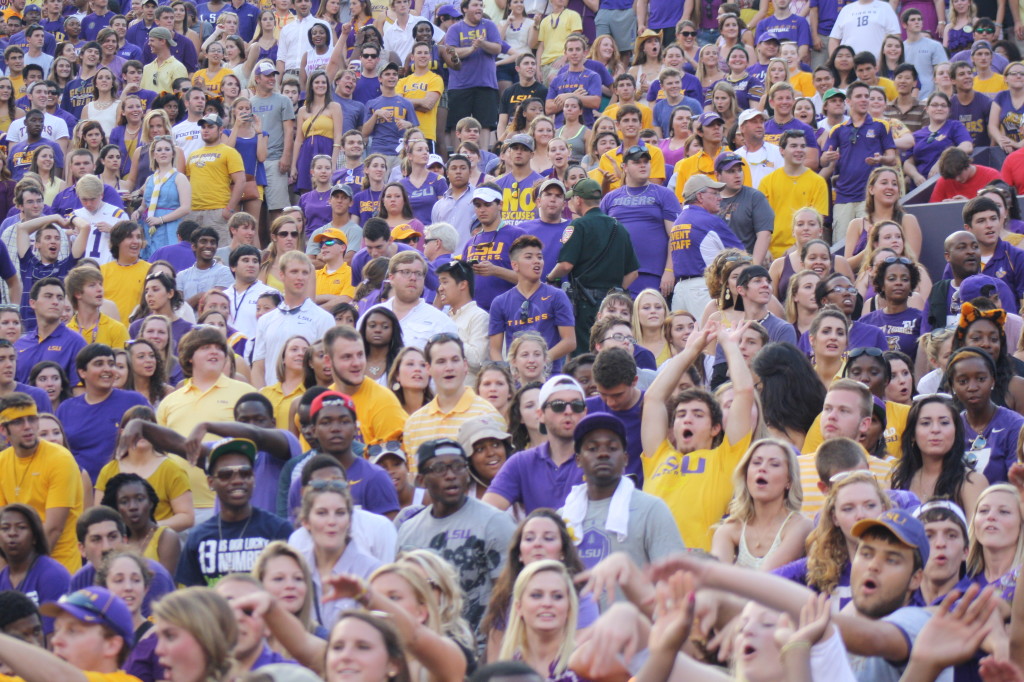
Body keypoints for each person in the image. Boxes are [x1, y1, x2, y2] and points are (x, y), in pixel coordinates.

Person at [641, 321, 755, 550]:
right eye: (681, 414)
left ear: (715, 428)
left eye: (697, 414)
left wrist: (728, 344)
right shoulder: (658, 456)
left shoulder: (726, 459)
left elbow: (744, 392)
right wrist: (691, 351)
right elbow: (653, 399)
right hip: (652, 569)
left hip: (700, 568)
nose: (687, 419)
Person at [397, 437, 516, 635]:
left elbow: (510, 598)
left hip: (482, 648)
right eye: (439, 469)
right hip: (429, 647)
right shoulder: (408, 531)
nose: (450, 475)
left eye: (458, 466)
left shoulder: (495, 522)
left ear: (467, 474)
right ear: (421, 480)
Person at [559, 412, 684, 570]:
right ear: (578, 460)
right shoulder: (562, 517)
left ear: (625, 458)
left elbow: (673, 578)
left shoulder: (651, 510)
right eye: (592, 448)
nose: (603, 454)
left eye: (612, 448)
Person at [176, 438, 291, 586]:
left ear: (253, 478)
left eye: (245, 473)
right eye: (226, 475)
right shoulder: (198, 538)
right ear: (211, 482)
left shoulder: (278, 530)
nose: (237, 480)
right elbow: (194, 600)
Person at [546, 178, 638, 352]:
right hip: (613, 304)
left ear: (579, 200)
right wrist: (614, 292)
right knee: (612, 348)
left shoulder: (578, 225)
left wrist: (550, 278)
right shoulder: (619, 227)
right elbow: (633, 273)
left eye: (572, 198)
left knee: (585, 353)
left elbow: (565, 265)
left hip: (585, 304)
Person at [0, 392, 83, 573]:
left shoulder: (60, 459)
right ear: (3, 430)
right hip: (15, 568)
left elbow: (53, 529)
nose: (28, 427)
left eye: (32, 419)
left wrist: (22, 574)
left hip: (59, 568)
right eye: (18, 422)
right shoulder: (2, 462)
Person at [483, 374, 588, 513]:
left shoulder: (598, 460)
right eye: (558, 406)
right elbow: (485, 514)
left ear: (585, 412)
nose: (568, 411)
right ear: (541, 414)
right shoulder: (521, 463)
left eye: (577, 405)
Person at [403, 331, 505, 458]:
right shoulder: (414, 424)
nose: (449, 367)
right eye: (441, 361)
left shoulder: (488, 415)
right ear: (428, 368)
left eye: (455, 360)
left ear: (465, 365)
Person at [56, 344, 148, 482]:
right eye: (99, 364)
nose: (107, 369)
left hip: (125, 489)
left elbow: (153, 443)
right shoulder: (66, 408)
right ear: (82, 372)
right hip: (80, 490)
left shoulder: (134, 401)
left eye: (111, 364)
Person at [820, 81, 897, 246]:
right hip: (843, 197)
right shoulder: (837, 129)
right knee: (841, 245)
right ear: (848, 101)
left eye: (866, 96)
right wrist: (828, 157)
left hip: (869, 197)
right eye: (859, 96)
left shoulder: (881, 126)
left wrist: (881, 159)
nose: (864, 100)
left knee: (870, 243)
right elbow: (823, 160)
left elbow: (892, 158)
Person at [252, 251, 335, 388]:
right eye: (294, 272)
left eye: (304, 273)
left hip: (306, 400)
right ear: (282, 275)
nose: (300, 277)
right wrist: (263, 399)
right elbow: (258, 366)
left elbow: (328, 367)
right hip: (272, 401)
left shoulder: (323, 318)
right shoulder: (265, 320)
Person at [667, 175, 744, 316]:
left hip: (680, 291)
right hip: (703, 289)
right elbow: (741, 256)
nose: (720, 198)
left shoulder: (678, 221)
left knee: (683, 336)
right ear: (700, 196)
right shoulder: (709, 221)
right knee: (710, 334)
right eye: (714, 193)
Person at [0, 503, 71, 627]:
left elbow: (53, 636)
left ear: (35, 536)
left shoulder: (52, 575)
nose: (12, 533)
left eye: (21, 527)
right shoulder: (2, 578)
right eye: (5, 528)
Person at [370, 251, 457, 350]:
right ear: (391, 277)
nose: (413, 278)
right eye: (406, 272)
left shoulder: (441, 322)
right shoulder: (373, 315)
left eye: (418, 273)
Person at [14, 277, 87, 386]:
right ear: (32, 303)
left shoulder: (75, 342)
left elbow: (79, 393)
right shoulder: (19, 345)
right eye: (48, 296)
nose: (55, 302)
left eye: (60, 298)